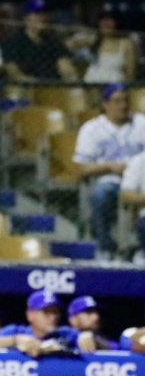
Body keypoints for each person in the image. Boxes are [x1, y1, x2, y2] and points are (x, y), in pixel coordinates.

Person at [74, 83, 145, 260]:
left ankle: (140, 249)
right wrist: (108, 167)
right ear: (105, 105)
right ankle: (105, 247)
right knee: (99, 195)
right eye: (117, 101)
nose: (123, 105)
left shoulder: (141, 123)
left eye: (126, 101)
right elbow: (81, 168)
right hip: (110, 180)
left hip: (141, 181)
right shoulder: (91, 129)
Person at [2, 0, 77, 82]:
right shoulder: (14, 42)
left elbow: (65, 67)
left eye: (43, 14)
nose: (41, 18)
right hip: (27, 89)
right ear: (26, 17)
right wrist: (37, 84)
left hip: (54, 88)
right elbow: (13, 71)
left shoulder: (53, 43)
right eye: (37, 14)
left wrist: (71, 80)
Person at [73, 11, 136, 84]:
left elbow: (130, 72)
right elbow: (68, 46)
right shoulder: (91, 40)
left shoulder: (125, 43)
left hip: (114, 85)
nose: (106, 23)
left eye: (110, 20)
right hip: (91, 83)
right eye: (103, 20)